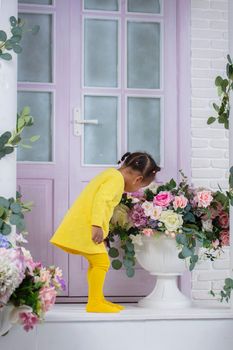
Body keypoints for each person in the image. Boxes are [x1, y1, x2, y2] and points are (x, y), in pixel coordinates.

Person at [49, 151, 161, 313]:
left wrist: (102, 229)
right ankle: (95, 302)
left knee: (97, 262)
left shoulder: (111, 175)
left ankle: (97, 299)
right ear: (138, 180)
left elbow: (102, 203)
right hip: (87, 225)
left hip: (87, 224)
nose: (135, 189)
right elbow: (102, 201)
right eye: (140, 186)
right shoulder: (116, 180)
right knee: (101, 263)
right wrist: (97, 226)